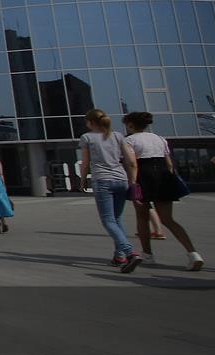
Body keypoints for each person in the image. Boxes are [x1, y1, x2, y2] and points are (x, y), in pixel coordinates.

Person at [123, 112, 203, 271]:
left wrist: (133, 184)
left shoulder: (129, 140)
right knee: (168, 219)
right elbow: (169, 164)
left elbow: (132, 164)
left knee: (142, 217)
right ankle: (193, 253)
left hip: (142, 177)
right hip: (163, 176)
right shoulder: (159, 138)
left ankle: (148, 254)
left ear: (130, 124)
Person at [80, 109, 142, 272]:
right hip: (121, 180)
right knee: (117, 219)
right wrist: (132, 181)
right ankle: (119, 256)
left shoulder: (87, 138)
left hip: (102, 181)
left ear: (91, 123)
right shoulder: (118, 136)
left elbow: (85, 164)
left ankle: (129, 252)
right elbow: (131, 162)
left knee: (108, 220)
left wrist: (82, 180)